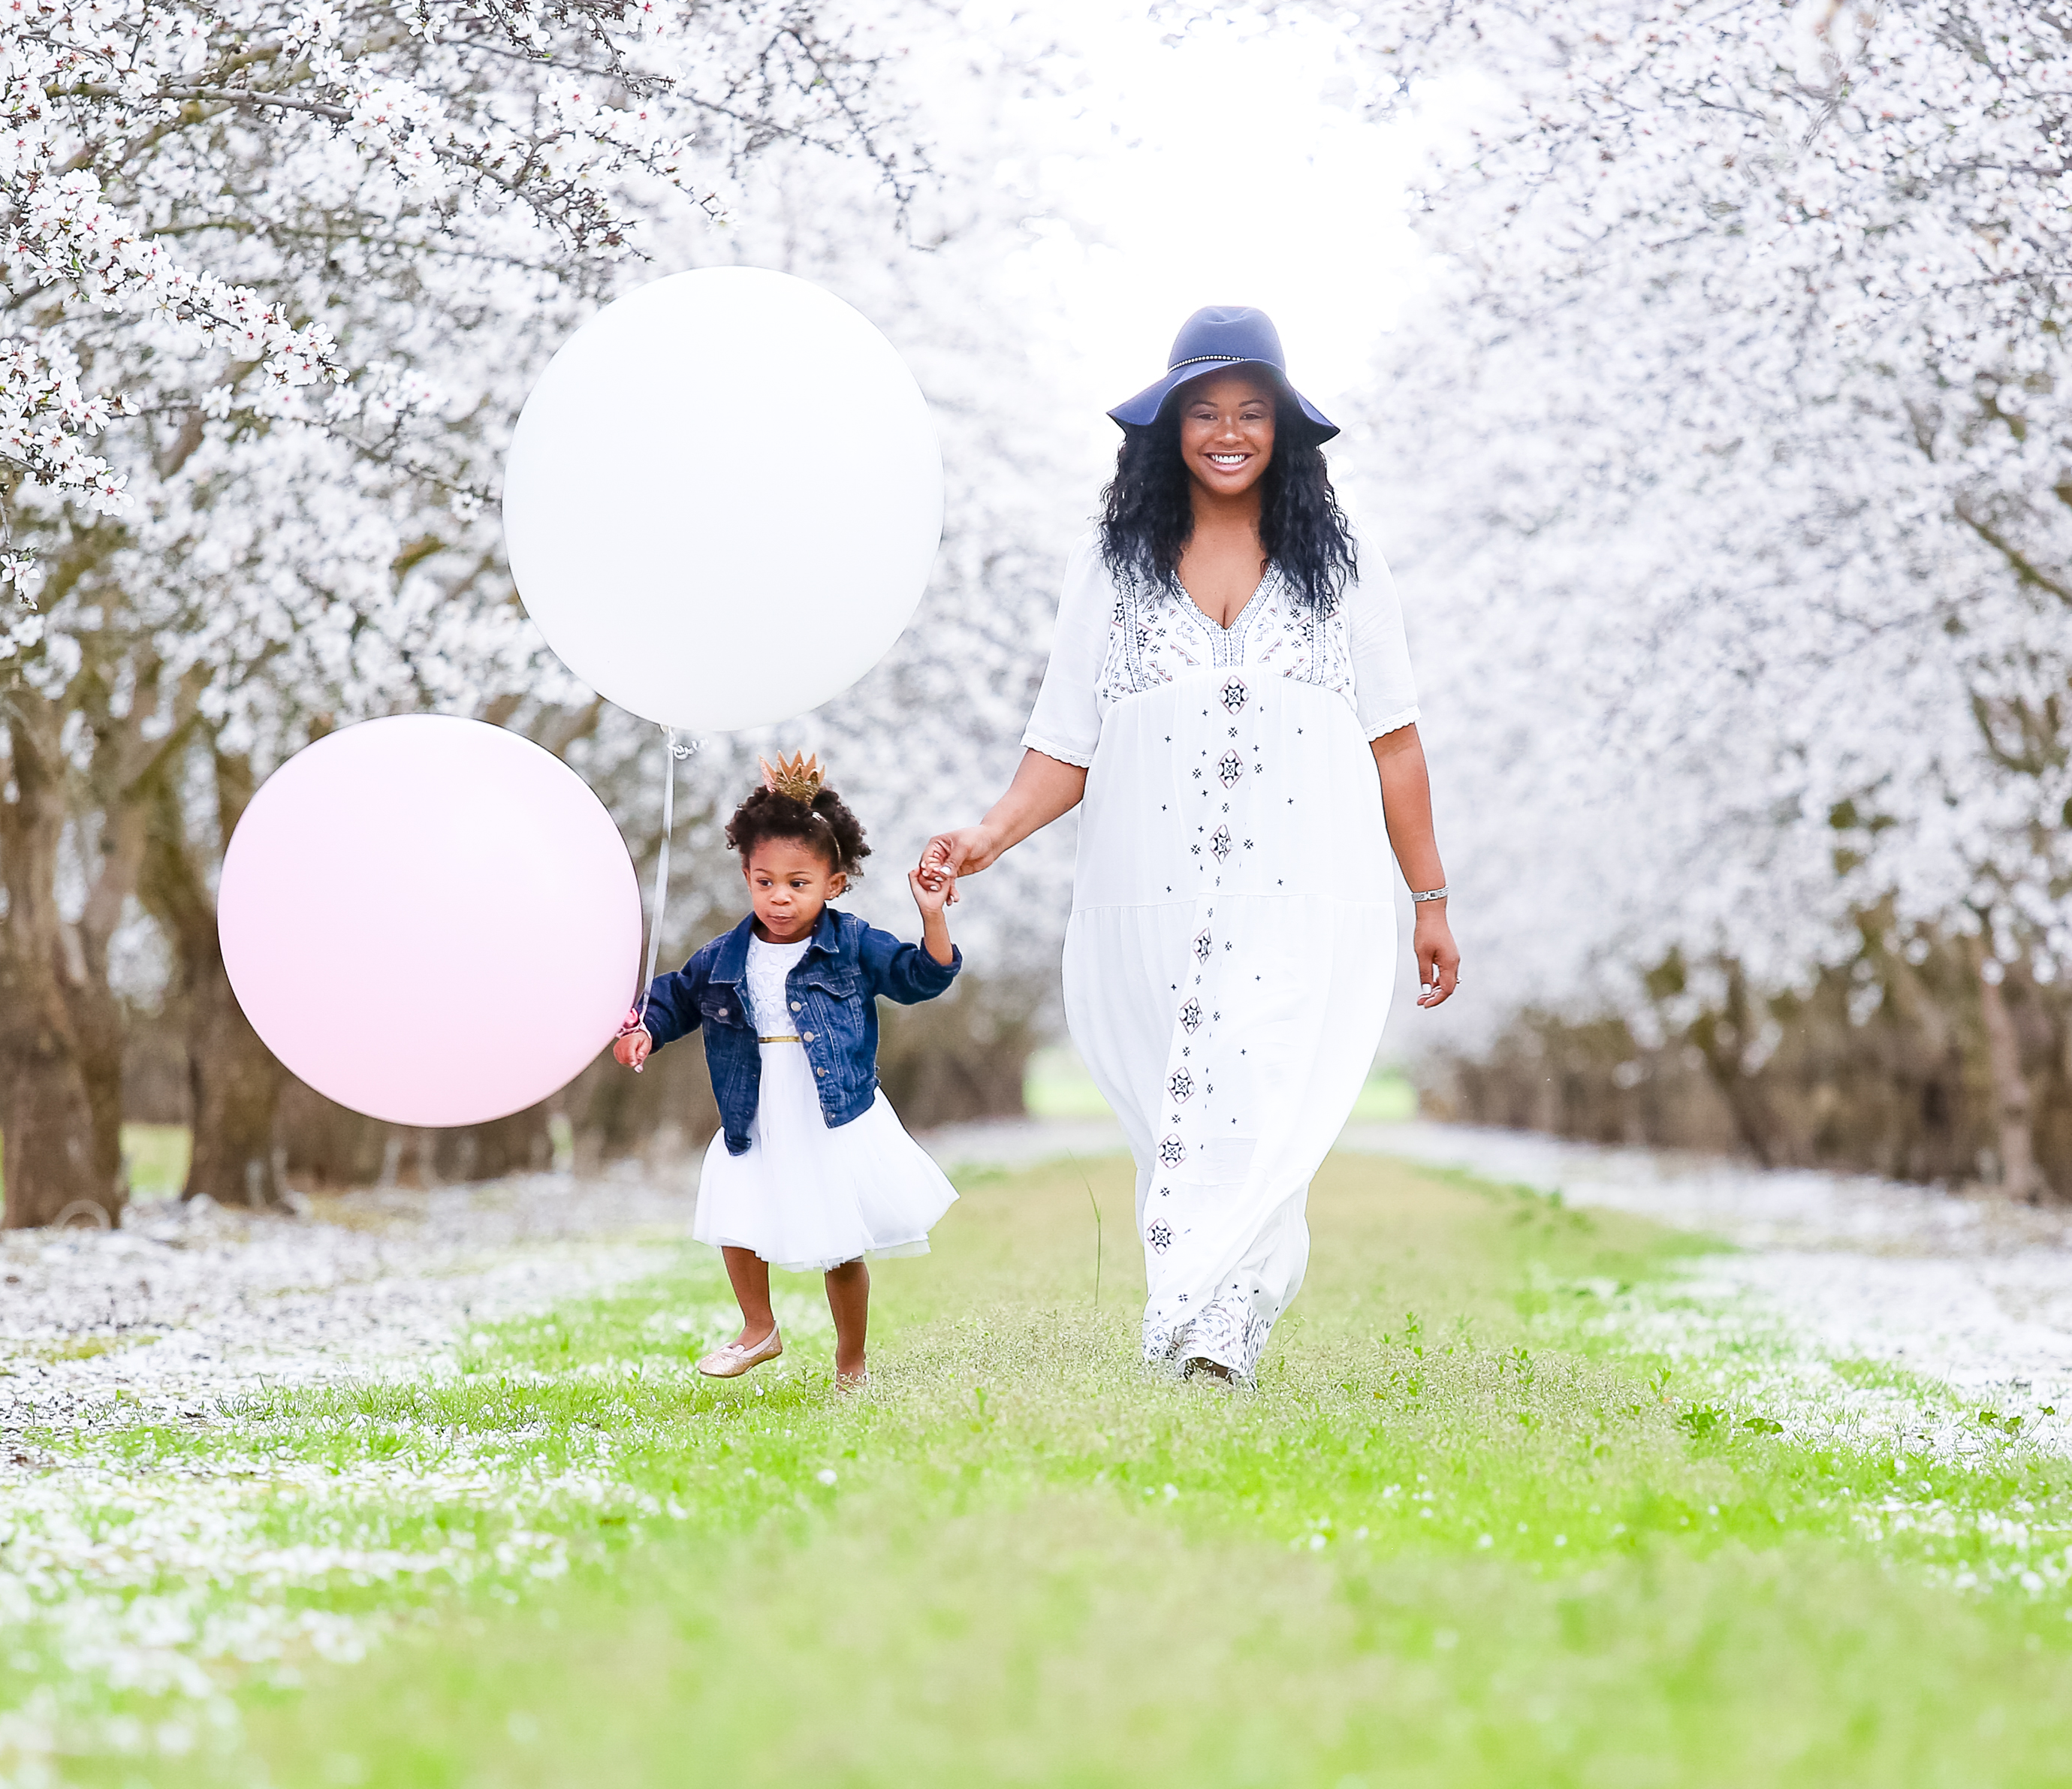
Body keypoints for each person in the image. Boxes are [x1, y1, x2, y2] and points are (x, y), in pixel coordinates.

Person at [919, 305, 1458, 1385]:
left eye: (1250, 412)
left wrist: (1429, 899)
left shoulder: (1341, 564)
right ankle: (1201, 1302)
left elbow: (1393, 743)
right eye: (1203, 411)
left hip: (1300, 886)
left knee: (1259, 1078)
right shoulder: (1111, 567)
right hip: (1149, 888)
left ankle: (1222, 1326)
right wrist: (986, 835)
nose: (1227, 432)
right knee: (1177, 1092)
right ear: (1166, 428)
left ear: (1282, 428)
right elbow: (1063, 745)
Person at [617, 753, 963, 1387]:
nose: (779, 896)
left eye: (798, 883)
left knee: (839, 1237)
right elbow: (677, 995)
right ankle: (759, 1328)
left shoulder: (852, 942)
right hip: (752, 1099)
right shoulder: (724, 954)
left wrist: (932, 916)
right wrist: (644, 1027)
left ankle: (850, 1359)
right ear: (747, 875)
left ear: (833, 883)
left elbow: (921, 977)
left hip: (829, 1106)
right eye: (765, 881)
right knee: (734, 1209)